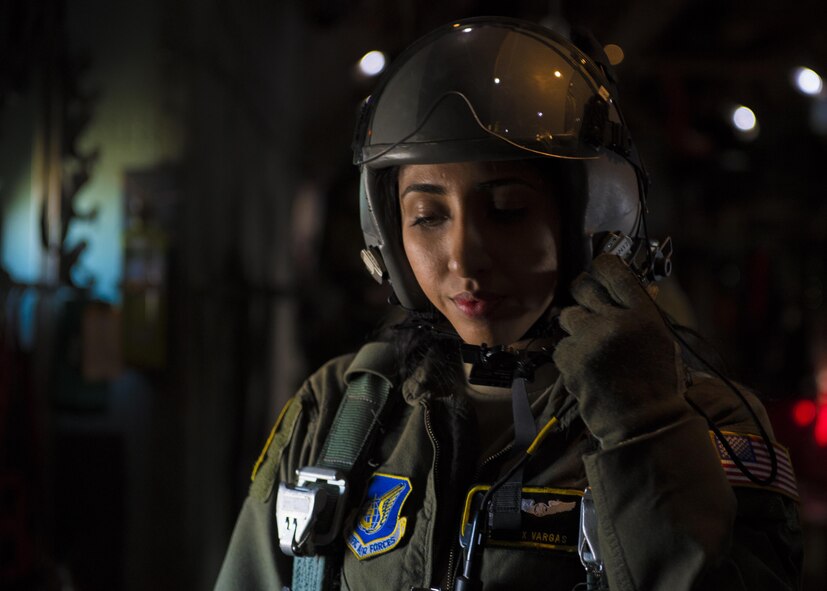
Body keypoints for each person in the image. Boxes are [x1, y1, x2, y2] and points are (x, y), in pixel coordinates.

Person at [215, 17, 802, 591]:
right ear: (389, 235)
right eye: (427, 216)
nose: (465, 262)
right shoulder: (337, 415)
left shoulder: (703, 428)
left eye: (508, 211)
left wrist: (643, 430)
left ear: (592, 220)